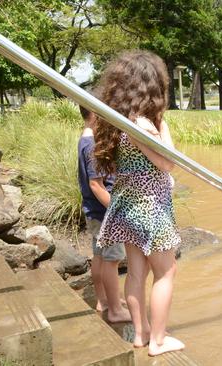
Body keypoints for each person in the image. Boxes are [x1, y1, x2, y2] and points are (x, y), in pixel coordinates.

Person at [93, 50, 184, 356]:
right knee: (166, 273)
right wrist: (163, 126)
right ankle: (157, 340)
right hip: (150, 208)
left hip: (127, 207)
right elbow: (168, 163)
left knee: (135, 274)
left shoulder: (116, 123)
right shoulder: (141, 124)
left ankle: (141, 333)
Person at [77, 105, 132, 323]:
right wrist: (118, 210)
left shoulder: (84, 139)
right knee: (113, 259)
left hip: (94, 211)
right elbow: (97, 185)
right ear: (94, 113)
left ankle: (103, 300)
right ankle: (116, 310)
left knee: (99, 257)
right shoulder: (92, 145)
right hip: (105, 212)